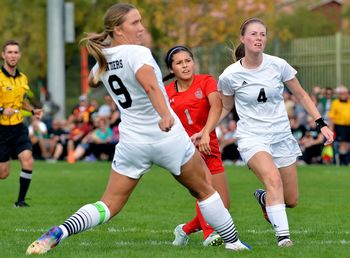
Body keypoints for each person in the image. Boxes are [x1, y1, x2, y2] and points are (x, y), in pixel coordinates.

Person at [26, 4, 250, 255]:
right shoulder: (138, 53)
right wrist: (165, 115)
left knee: (108, 205)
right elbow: (151, 87)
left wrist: (107, 55)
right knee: (205, 189)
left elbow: (91, 79)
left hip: (132, 143)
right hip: (165, 138)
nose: (141, 27)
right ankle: (234, 242)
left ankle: (61, 231)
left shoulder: (103, 60)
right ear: (118, 29)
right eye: (135, 23)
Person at [217, 18, 334, 247]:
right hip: (252, 137)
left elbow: (301, 95)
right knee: (273, 180)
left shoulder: (278, 65)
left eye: (262, 34)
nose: (258, 38)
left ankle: (263, 198)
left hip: (281, 137)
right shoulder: (229, 75)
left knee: (291, 199)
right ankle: (283, 238)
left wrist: (322, 123)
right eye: (253, 34)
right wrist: (206, 129)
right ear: (243, 38)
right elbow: (225, 107)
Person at [163, 45, 230, 247]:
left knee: (223, 208)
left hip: (210, 146)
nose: (185, 66)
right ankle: (209, 236)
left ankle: (184, 229)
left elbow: (217, 106)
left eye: (188, 61)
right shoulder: (166, 93)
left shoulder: (206, 81)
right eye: (179, 63)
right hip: (187, 151)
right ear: (171, 69)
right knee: (205, 191)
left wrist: (206, 134)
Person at [0, 40, 43, 207]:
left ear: (20, 55)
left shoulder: (23, 78)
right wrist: (2, 110)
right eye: (9, 52)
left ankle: (20, 201)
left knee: (28, 160)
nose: (12, 55)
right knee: (3, 174)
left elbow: (22, 101)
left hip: (18, 128)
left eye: (15, 52)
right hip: (1, 130)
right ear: (3, 55)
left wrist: (33, 110)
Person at [328, 85, 350, 165]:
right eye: (341, 93)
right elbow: (331, 117)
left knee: (348, 144)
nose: (343, 95)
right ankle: (342, 161)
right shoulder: (335, 103)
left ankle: (346, 160)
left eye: (345, 93)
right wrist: (331, 129)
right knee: (342, 143)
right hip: (339, 126)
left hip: (348, 126)